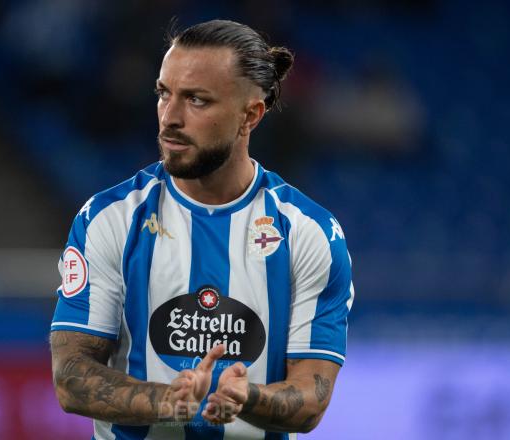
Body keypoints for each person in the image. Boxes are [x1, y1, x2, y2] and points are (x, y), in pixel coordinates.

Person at [50, 19, 354, 439]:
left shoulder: (310, 233)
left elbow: (311, 400)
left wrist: (246, 398)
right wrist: (169, 401)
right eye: (163, 93)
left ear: (250, 115)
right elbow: (71, 376)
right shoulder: (109, 218)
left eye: (196, 100)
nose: (169, 117)